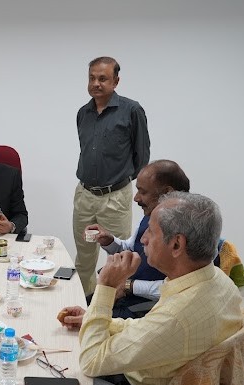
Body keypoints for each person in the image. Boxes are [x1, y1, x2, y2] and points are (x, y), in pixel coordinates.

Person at [58, 192, 241, 385]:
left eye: (151, 232)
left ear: (176, 245)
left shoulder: (176, 317)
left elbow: (91, 361)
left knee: (57, 366)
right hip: (165, 369)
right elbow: (149, 329)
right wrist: (95, 319)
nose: (143, 239)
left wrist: (106, 286)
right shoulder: (218, 279)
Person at [74, 56, 151, 295]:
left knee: (118, 257)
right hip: (85, 197)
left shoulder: (132, 110)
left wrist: (121, 179)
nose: (96, 83)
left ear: (116, 81)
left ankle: (114, 308)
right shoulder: (83, 113)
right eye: (92, 78)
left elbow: (142, 155)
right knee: (84, 256)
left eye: (103, 78)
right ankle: (85, 304)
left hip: (115, 197)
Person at [85, 160, 190, 318]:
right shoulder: (151, 216)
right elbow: (133, 248)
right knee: (80, 304)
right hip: (126, 293)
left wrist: (129, 286)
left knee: (88, 322)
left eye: (143, 192)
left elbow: (181, 287)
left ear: (167, 193)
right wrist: (109, 241)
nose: (136, 198)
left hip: (146, 306)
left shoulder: (185, 229)